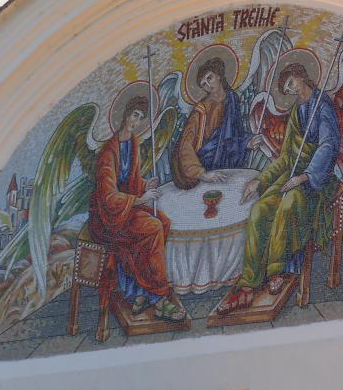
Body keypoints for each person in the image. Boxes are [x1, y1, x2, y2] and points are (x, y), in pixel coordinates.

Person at [218, 62, 341, 313]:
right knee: (260, 209)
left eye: (291, 83)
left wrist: (305, 177)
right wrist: (261, 181)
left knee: (288, 204)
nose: (291, 90)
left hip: (316, 181)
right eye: (287, 88)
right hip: (292, 173)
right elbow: (286, 157)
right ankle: (249, 280)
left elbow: (328, 145)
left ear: (302, 76)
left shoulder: (323, 106)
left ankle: (276, 270)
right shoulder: (297, 111)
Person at [89, 94, 185, 321]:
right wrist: (141, 200)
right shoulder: (108, 153)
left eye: (141, 118)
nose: (137, 122)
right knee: (153, 227)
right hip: (108, 218)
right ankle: (158, 297)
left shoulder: (131, 144)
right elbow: (108, 197)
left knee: (164, 222)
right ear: (125, 115)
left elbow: (129, 182)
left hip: (125, 209)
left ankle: (140, 291)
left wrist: (144, 185)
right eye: (135, 115)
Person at [171, 55, 250, 189]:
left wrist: (247, 142)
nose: (208, 85)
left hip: (230, 163)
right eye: (203, 84)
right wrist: (201, 173)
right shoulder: (201, 110)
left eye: (209, 78)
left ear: (218, 75)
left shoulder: (232, 98)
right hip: (206, 164)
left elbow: (235, 134)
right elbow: (185, 143)